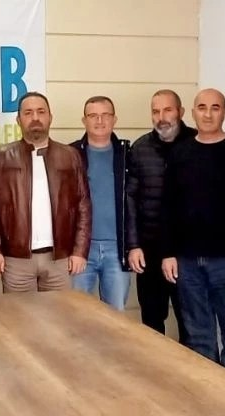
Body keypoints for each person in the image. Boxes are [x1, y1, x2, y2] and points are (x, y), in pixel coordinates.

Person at [161, 89, 225, 372]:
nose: (208, 113)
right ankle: (209, 394)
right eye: (202, 107)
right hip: (187, 261)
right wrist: (168, 252)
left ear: (224, 113)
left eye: (215, 107)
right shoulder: (180, 153)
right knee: (199, 338)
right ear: (192, 113)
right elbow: (168, 205)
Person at [0, 92, 91, 292]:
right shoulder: (0, 156)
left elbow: (83, 205)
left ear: (50, 117)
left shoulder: (70, 156)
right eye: (28, 113)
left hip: (60, 259)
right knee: (19, 313)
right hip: (16, 260)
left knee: (59, 312)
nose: (35, 118)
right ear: (18, 120)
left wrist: (80, 251)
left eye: (41, 112)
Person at [126, 90, 194, 338]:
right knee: (151, 322)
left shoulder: (197, 144)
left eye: (168, 110)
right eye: (156, 111)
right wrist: (134, 245)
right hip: (150, 249)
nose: (161, 117)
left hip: (188, 252)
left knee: (191, 322)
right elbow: (130, 199)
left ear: (181, 112)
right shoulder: (140, 148)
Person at [70, 95, 131, 310]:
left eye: (105, 115)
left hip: (117, 248)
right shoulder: (70, 154)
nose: (99, 120)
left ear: (115, 119)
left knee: (115, 315)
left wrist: (134, 245)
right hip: (81, 248)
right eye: (93, 115)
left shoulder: (127, 154)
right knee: (77, 313)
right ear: (84, 120)